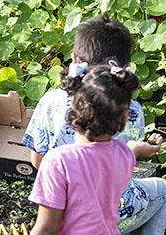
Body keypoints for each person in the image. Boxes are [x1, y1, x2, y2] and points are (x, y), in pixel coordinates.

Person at [23, 16, 166, 235]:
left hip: (59, 209)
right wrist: (141, 148)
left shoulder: (57, 159)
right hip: (118, 214)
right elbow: (127, 152)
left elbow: (45, 227)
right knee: (165, 191)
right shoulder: (126, 138)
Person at [29, 65, 139, 235]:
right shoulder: (125, 155)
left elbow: (46, 229)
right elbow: (131, 150)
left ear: (73, 106)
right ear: (123, 117)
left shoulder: (58, 161)